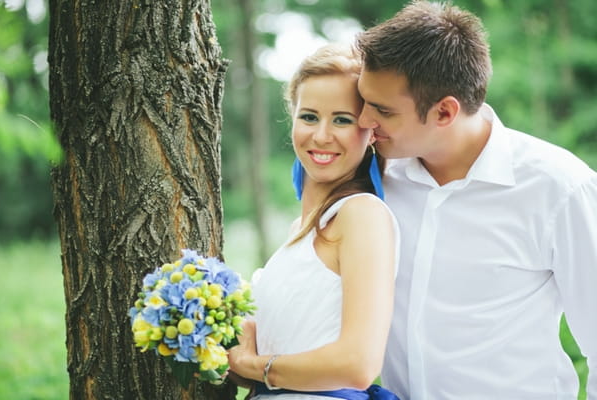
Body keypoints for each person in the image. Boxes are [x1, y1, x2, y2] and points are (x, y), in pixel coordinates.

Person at [355, 1, 597, 399]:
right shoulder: (376, 178)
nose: (364, 121)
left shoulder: (561, 188)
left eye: (382, 110)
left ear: (445, 112)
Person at [227, 44, 401, 399]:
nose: (321, 135)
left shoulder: (361, 215)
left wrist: (252, 365)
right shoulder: (298, 233)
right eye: (309, 116)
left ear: (370, 133)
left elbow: (358, 364)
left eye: (342, 119)